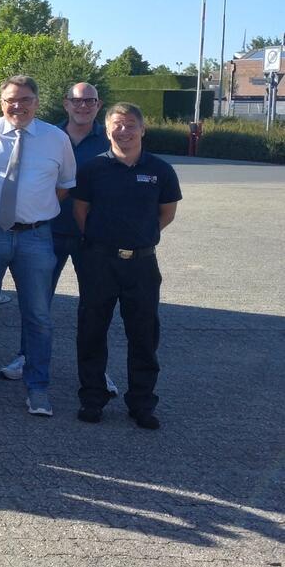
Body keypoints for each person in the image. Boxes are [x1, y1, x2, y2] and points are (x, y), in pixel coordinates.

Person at [0, 75, 77, 416]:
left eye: (25, 99)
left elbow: (64, 185)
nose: (18, 106)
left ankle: (37, 388)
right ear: (1, 102)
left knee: (38, 315)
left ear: (37, 103)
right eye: (11, 99)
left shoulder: (57, 139)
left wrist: (31, 211)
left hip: (37, 236)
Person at [72, 103, 181, 429]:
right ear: (107, 130)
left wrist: (139, 238)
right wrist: (102, 241)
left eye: (131, 124)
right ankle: (93, 398)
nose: (124, 131)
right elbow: (81, 211)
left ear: (143, 129)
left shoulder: (160, 170)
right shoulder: (92, 169)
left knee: (144, 335)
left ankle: (142, 403)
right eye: (117, 125)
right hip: (99, 262)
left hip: (142, 264)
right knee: (91, 331)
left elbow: (167, 213)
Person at [0, 82, 112, 384]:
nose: (83, 106)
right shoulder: (50, 136)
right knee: (37, 302)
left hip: (94, 235)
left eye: (90, 101)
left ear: (98, 105)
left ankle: (96, 371)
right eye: (77, 101)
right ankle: (26, 356)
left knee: (95, 304)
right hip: (50, 231)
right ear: (66, 104)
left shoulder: (109, 139)